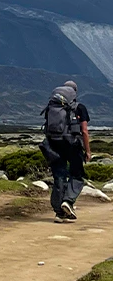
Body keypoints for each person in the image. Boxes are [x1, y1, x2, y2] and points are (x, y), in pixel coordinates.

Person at [41, 80, 91, 223]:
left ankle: (59, 213)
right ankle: (68, 201)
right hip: (72, 145)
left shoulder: (51, 107)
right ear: (75, 92)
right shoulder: (79, 107)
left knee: (59, 176)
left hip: (53, 144)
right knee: (77, 175)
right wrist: (88, 151)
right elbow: (84, 131)